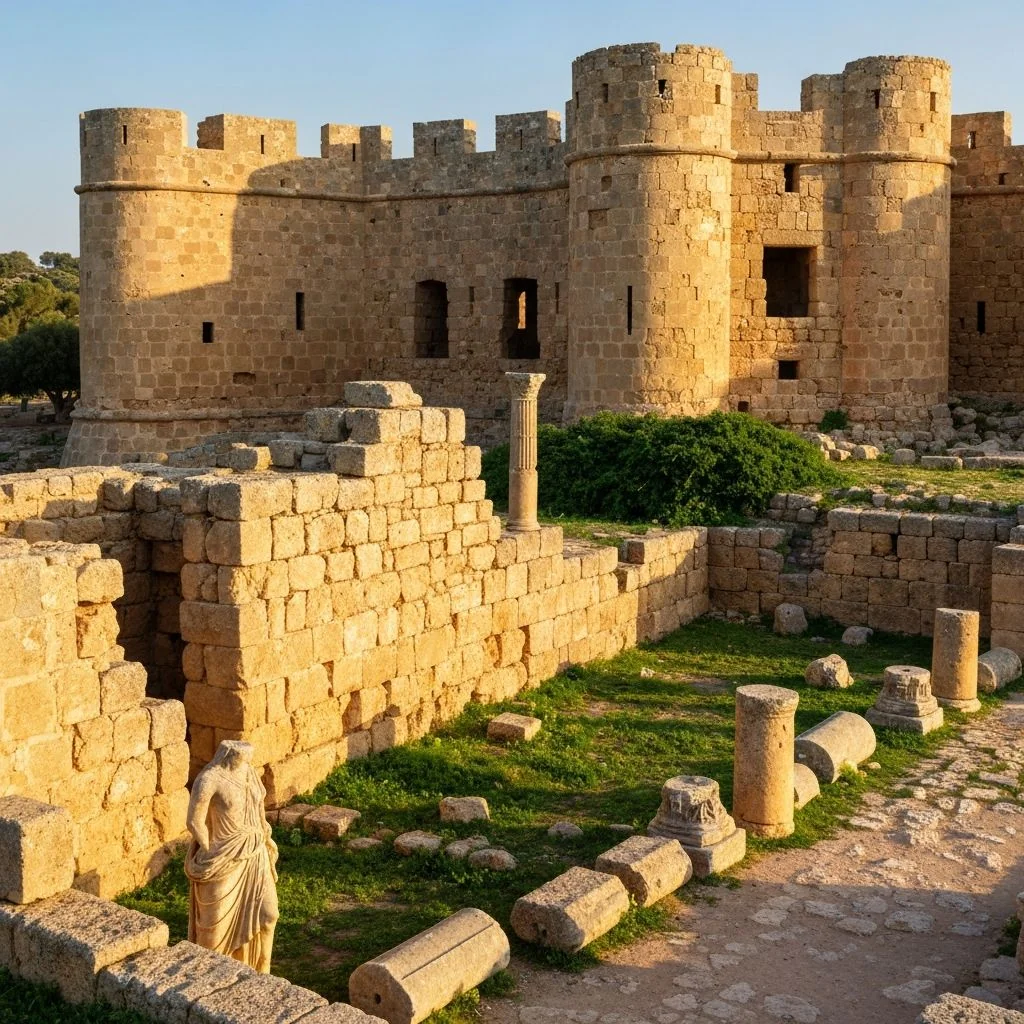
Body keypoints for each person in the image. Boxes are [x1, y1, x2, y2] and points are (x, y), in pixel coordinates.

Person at [184, 739, 279, 972]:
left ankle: (263, 972)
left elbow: (258, 809)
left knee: (269, 915)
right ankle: (209, 976)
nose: (246, 759)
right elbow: (194, 821)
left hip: (254, 851)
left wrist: (264, 836)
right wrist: (210, 849)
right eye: (242, 756)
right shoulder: (209, 779)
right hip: (223, 856)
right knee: (213, 936)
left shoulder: (249, 773)